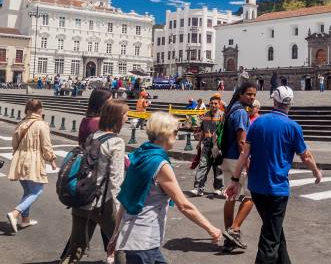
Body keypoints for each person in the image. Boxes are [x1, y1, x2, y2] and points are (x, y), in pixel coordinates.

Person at [108, 112, 222, 263]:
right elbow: (184, 205)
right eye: (176, 131)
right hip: (144, 243)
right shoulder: (160, 165)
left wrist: (116, 233)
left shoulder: (139, 155)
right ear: (166, 133)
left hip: (134, 240)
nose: (177, 134)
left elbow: (125, 198)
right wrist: (210, 228)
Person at [225, 86, 322, 263]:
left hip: (257, 188)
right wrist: (316, 172)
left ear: (274, 101)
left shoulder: (258, 123)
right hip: (277, 190)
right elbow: (306, 156)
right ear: (291, 103)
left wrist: (234, 180)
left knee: (274, 229)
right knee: (270, 238)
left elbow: (244, 154)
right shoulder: (293, 127)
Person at [62, 100, 128, 264]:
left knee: (75, 249)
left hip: (82, 198)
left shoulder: (93, 135)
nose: (128, 118)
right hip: (101, 203)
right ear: (118, 118)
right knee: (120, 244)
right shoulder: (116, 142)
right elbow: (116, 179)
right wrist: (119, 209)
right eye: (126, 115)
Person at [6, 99, 57, 233]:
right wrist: (51, 159)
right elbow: (46, 145)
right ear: (40, 110)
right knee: (37, 191)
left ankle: (25, 220)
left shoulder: (21, 123)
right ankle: (15, 213)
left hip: (20, 159)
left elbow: (14, 143)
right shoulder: (41, 124)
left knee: (28, 191)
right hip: (33, 160)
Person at [221, 82, 256, 252]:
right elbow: (242, 141)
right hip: (237, 159)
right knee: (251, 196)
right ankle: (234, 229)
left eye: (254, 95)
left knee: (230, 197)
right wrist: (247, 163)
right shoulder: (241, 112)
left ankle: (228, 240)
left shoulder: (231, 109)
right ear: (241, 94)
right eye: (249, 94)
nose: (252, 97)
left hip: (226, 158)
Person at [191, 95, 225, 197]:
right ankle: (198, 188)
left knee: (218, 168)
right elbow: (202, 130)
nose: (213, 105)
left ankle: (218, 188)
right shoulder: (205, 115)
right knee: (202, 166)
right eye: (211, 103)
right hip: (206, 146)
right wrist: (198, 143)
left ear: (219, 105)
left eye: (215, 103)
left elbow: (224, 132)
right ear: (209, 104)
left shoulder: (222, 116)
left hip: (217, 147)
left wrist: (221, 146)